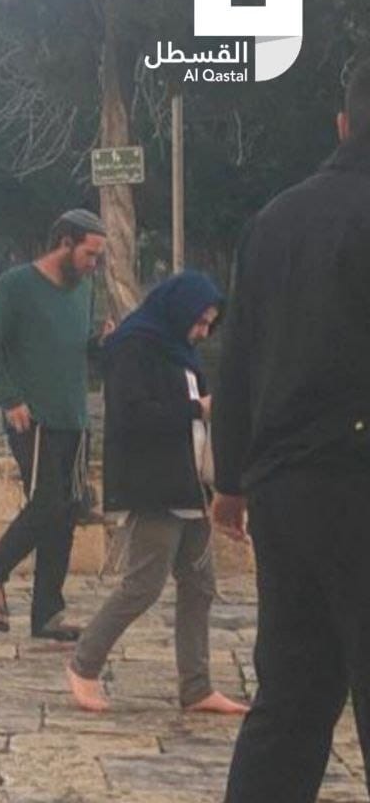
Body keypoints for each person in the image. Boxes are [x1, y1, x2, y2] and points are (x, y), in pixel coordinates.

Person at [215, 64, 370, 802]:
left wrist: (229, 480)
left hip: (284, 490)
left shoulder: (275, 219)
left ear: (343, 124)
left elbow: (238, 354)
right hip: (358, 481)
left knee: (292, 700)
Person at [65, 272, 248, 715]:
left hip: (190, 483)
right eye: (199, 321)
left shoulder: (180, 350)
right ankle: (83, 664)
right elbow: (131, 416)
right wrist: (196, 409)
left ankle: (197, 686)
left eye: (210, 324)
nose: (203, 331)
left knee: (200, 585)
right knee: (144, 584)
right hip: (155, 484)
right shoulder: (135, 346)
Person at [0, 209, 110, 642]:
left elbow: (79, 348)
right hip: (33, 418)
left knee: (67, 512)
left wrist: (103, 343)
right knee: (46, 503)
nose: (94, 264)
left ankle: (48, 612)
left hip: (74, 418)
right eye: (89, 254)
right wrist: (9, 397)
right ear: (65, 243)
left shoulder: (84, 289)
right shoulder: (16, 286)